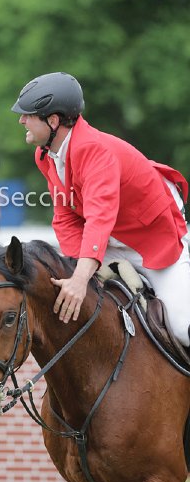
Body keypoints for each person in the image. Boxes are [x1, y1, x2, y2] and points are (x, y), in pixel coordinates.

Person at [11, 71, 190, 346]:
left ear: (53, 121)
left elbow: (98, 219)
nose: (22, 120)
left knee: (182, 327)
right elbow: (65, 217)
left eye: (28, 115)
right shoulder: (45, 155)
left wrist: (81, 278)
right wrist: (74, 268)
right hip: (109, 239)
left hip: (155, 238)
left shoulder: (94, 151)